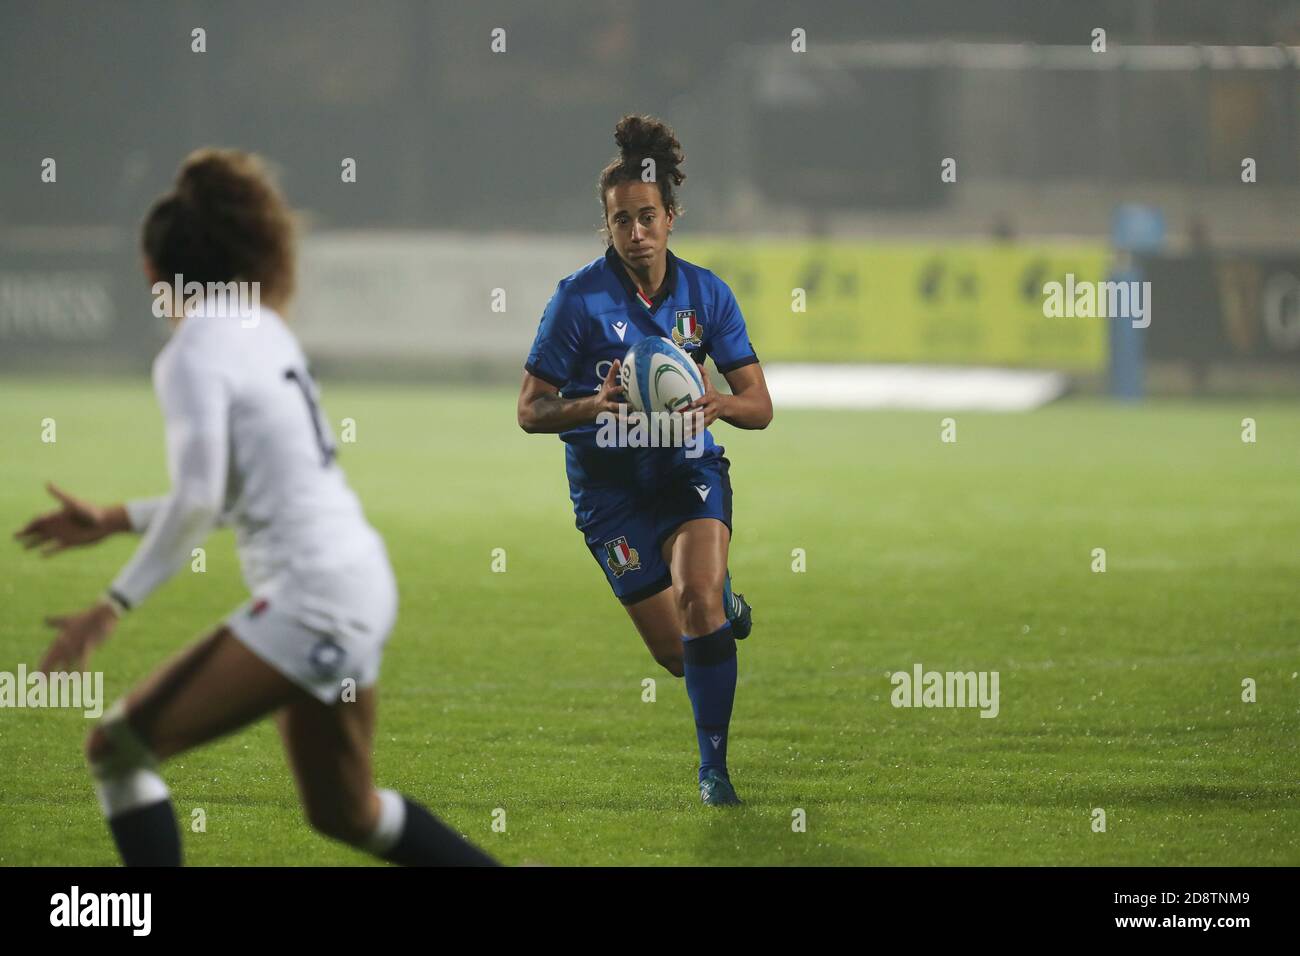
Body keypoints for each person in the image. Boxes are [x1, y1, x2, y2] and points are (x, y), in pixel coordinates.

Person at [16, 148, 496, 866]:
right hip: (357, 577)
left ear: (156, 275)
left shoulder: (191, 353)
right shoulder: (261, 328)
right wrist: (115, 519)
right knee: (346, 811)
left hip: (316, 600)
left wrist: (109, 607)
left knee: (116, 751)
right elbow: (235, 493)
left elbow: (203, 496)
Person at [516, 116, 773, 805]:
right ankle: (723, 605)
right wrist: (590, 407)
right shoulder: (578, 300)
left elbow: (761, 407)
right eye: (622, 220)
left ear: (671, 217)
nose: (636, 231)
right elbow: (529, 410)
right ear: (607, 225)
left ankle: (713, 768)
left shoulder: (707, 295)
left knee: (696, 600)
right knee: (675, 652)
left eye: (648, 216)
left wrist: (717, 403)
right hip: (609, 494)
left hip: (687, 471)